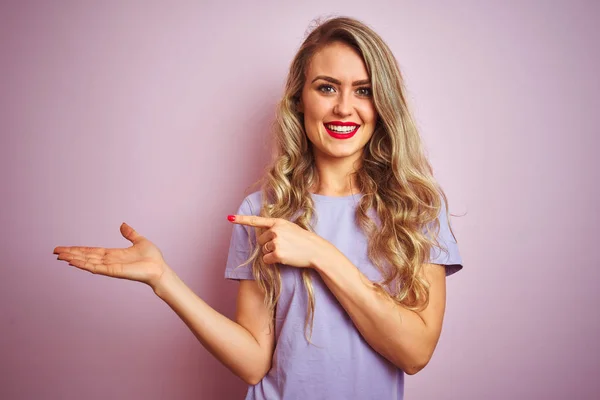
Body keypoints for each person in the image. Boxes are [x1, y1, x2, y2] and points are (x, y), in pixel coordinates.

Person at [53, 16, 463, 400]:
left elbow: (415, 353)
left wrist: (320, 254)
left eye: (363, 89)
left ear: (383, 103)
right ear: (300, 100)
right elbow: (253, 364)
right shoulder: (262, 209)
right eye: (326, 87)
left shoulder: (418, 208)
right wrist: (164, 280)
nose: (343, 107)